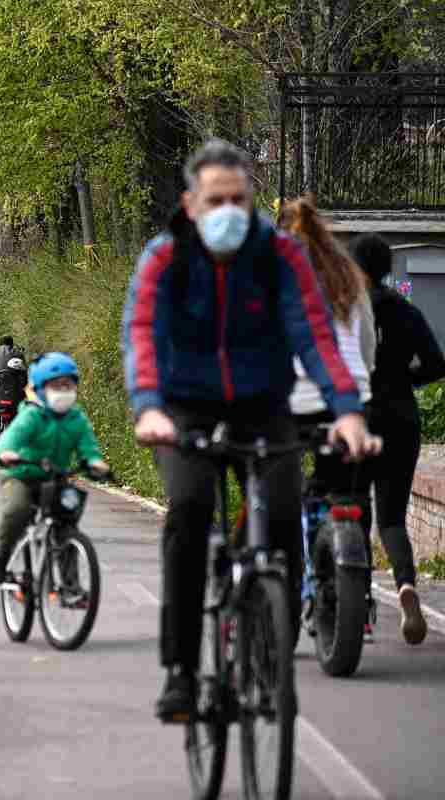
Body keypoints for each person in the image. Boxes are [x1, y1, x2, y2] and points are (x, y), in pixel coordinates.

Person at [123, 139, 379, 721]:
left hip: (264, 406)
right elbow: (142, 333)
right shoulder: (165, 258)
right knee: (189, 514)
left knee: (286, 514)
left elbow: (313, 334)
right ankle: (183, 673)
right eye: (217, 200)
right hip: (184, 409)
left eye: (240, 199)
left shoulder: (280, 256)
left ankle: (271, 644)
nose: (229, 211)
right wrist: (149, 407)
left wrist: (347, 409)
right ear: (191, 204)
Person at [278, 197, 378, 638]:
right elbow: (368, 349)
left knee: (277, 496)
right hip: (351, 400)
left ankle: (287, 584)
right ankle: (362, 589)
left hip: (291, 401)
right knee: (351, 498)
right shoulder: (349, 279)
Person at [352, 233, 445, 645]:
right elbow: (436, 364)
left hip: (358, 419)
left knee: (355, 511)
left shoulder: (348, 313)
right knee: (392, 518)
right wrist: (404, 379)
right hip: (401, 420)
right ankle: (406, 584)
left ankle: (360, 605)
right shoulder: (406, 311)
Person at [0, 353, 109, 582]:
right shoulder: (32, 415)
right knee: (18, 510)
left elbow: (87, 445)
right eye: (57, 385)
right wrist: (6, 453)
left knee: (67, 523)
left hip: (56, 478)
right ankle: (0, 558)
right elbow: (10, 438)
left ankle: (69, 584)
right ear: (41, 388)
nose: (63, 391)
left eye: (68, 385)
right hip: (22, 475)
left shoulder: (76, 418)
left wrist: (94, 461)